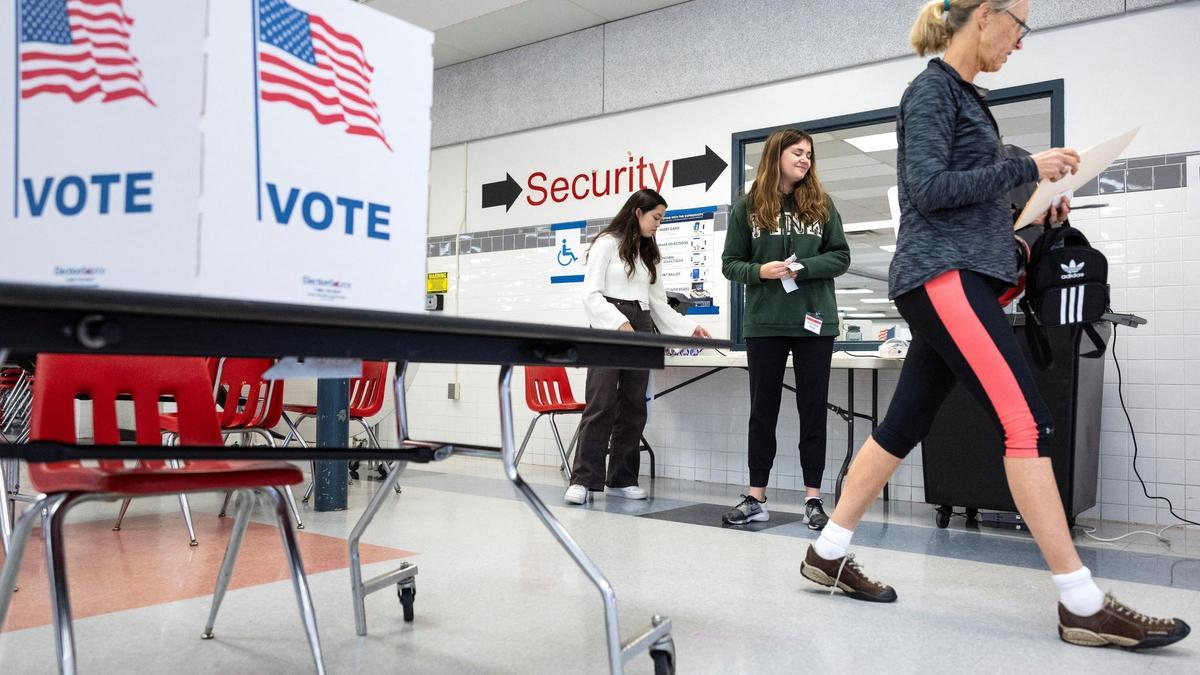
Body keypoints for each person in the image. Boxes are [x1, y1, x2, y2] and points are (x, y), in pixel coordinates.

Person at [800, 0, 1190, 650]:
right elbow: (928, 189)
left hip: (958, 273)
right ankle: (1082, 603)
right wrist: (1027, 167)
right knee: (1026, 424)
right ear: (984, 14)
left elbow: (969, 199)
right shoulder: (932, 90)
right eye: (1019, 24)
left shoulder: (967, 99)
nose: (1020, 40)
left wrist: (1038, 209)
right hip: (941, 275)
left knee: (904, 424)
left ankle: (827, 550)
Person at [720, 128, 850, 529]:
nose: (805, 159)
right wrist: (760, 271)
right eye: (797, 152)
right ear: (776, 155)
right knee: (762, 412)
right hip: (765, 323)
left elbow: (841, 256)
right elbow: (730, 263)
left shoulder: (822, 204)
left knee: (812, 411)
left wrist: (804, 267)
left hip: (815, 324)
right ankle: (756, 497)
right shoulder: (747, 208)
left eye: (809, 154)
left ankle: (813, 499)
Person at [564, 189, 712, 505]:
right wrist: (619, 322)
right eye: (656, 217)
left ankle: (622, 478)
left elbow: (658, 304)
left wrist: (689, 328)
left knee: (634, 405)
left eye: (661, 219)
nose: (658, 224)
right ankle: (583, 479)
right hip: (608, 324)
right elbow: (590, 294)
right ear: (637, 212)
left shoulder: (650, 254)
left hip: (641, 322)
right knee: (601, 402)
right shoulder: (606, 243)